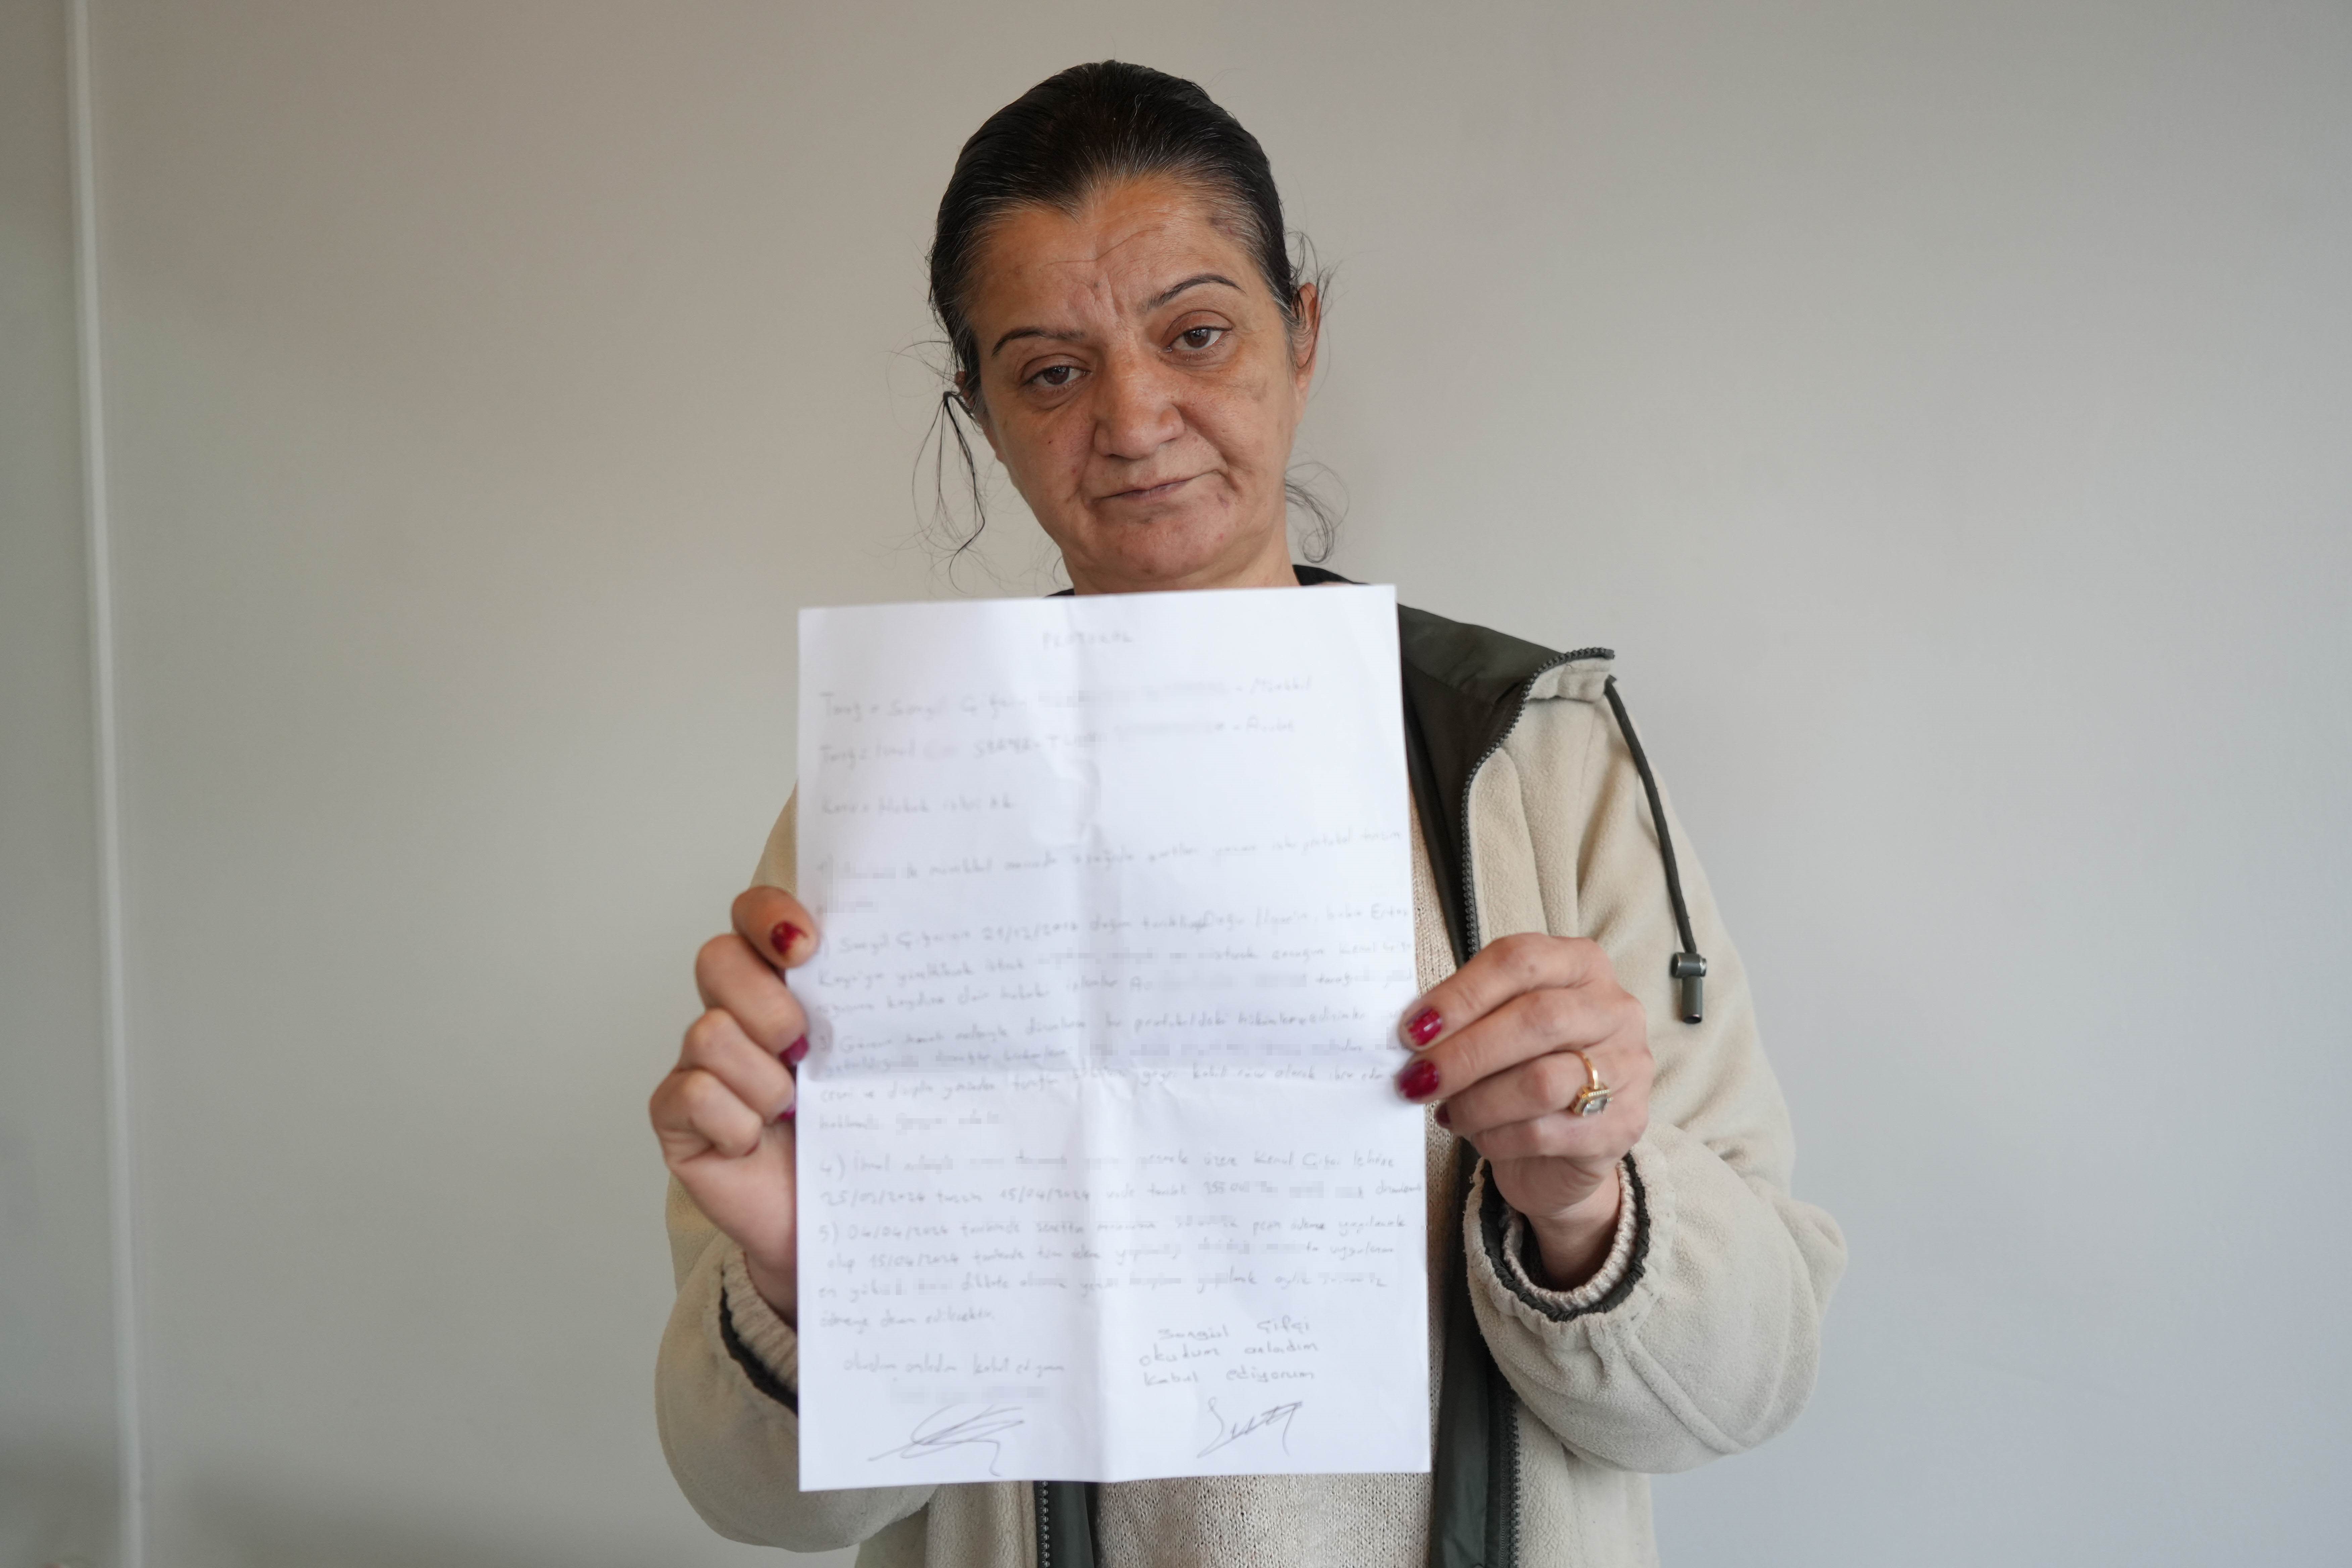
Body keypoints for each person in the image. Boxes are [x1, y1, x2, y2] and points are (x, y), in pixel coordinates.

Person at [649, 60, 1844, 1568]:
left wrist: (1589, 1199)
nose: (1135, 416)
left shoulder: (1535, 758)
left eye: (1197, 333)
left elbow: (1751, 1379)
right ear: (983, 411)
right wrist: (810, 1284)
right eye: (1049, 370)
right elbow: (752, 1501)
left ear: (1304, 333)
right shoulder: (883, 812)